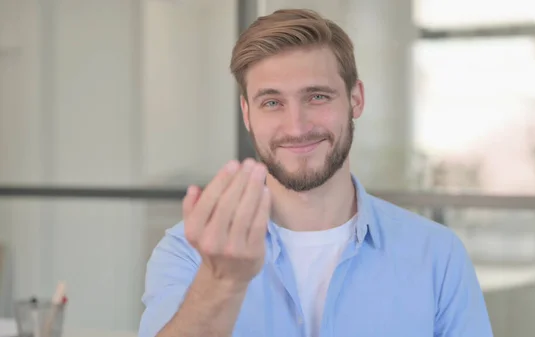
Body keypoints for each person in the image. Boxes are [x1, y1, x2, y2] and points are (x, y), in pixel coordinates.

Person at [139, 8, 493, 337]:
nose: (296, 127)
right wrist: (222, 282)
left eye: (317, 97)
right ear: (247, 113)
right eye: (272, 102)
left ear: (356, 99)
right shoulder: (188, 250)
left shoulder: (437, 255)